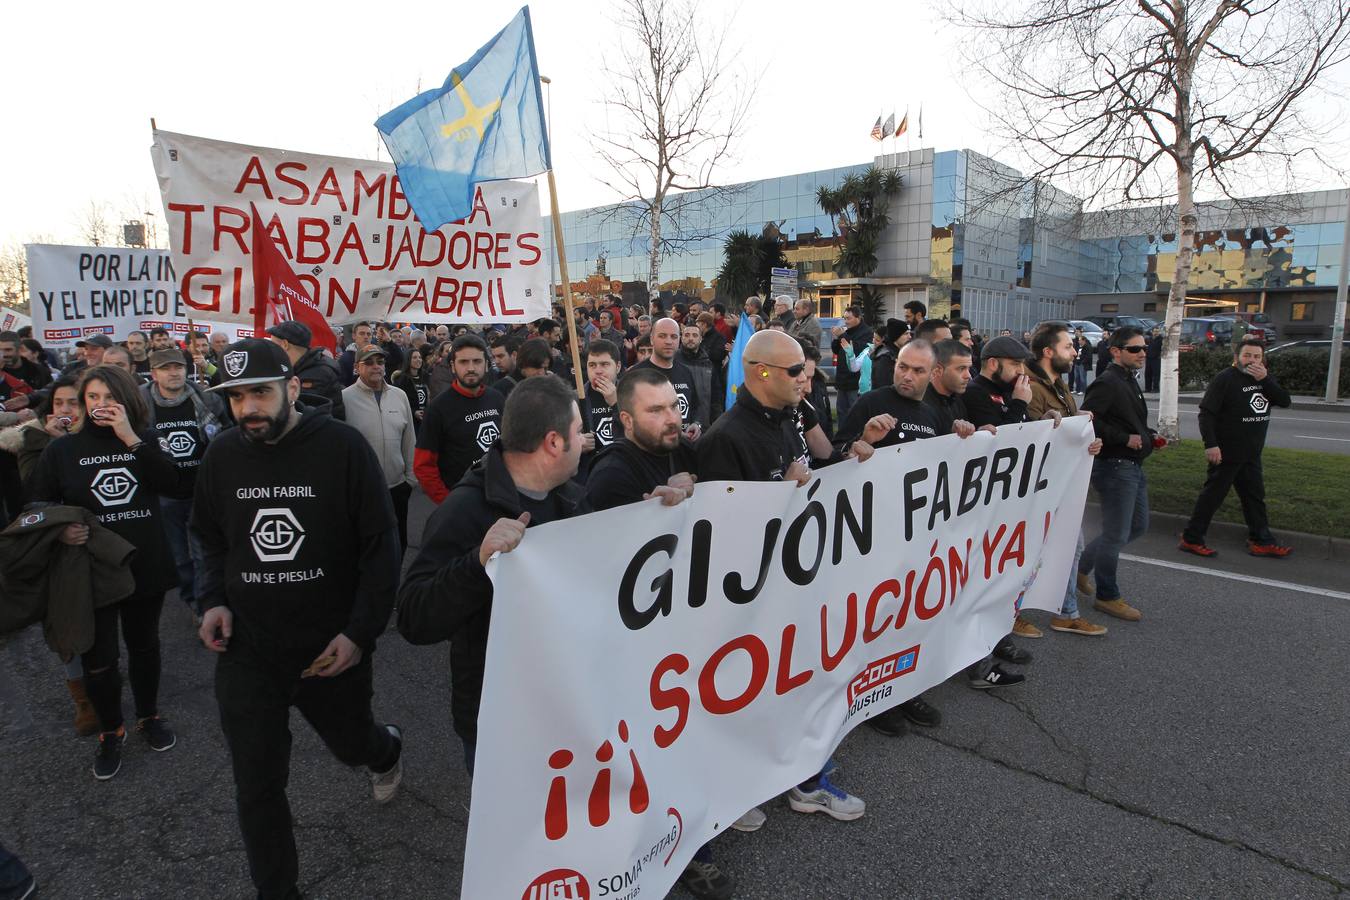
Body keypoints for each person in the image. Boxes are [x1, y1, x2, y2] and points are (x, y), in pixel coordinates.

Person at [192, 338, 403, 900]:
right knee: (256, 785)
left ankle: (386, 750)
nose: (247, 409)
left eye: (259, 392)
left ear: (292, 388)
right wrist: (211, 599)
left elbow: (381, 546)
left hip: (329, 647)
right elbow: (209, 540)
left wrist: (359, 633)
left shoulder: (342, 448)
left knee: (352, 745)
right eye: (235, 398)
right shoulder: (223, 456)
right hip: (249, 650)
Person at [698, 330, 867, 822]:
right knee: (746, 704)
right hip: (748, 605)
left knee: (799, 691)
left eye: (805, 370)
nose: (806, 378)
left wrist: (856, 455)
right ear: (761, 372)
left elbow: (818, 470)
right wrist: (783, 496)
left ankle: (806, 780)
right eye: (796, 371)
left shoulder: (791, 415)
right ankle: (735, 793)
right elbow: (716, 539)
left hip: (793, 586)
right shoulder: (724, 439)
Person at [581, 369, 734, 900]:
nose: (672, 418)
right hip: (639, 649)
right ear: (625, 419)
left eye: (673, 406)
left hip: (687, 633)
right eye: (656, 411)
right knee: (653, 753)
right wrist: (651, 512)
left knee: (692, 742)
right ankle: (681, 855)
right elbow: (599, 568)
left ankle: (696, 829)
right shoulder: (612, 474)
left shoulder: (682, 451)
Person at [399, 376, 590, 775]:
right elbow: (414, 618)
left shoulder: (570, 496)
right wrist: (476, 562)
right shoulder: (464, 510)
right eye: (578, 431)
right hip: (500, 721)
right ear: (554, 443)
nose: (585, 439)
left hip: (568, 704)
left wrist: (658, 510)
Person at [28, 365, 179, 779]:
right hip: (91, 569)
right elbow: (36, 504)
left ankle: (149, 716)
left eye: (107, 398)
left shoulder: (144, 440)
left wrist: (130, 440)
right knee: (100, 659)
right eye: (91, 398)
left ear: (126, 401)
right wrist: (60, 528)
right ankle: (110, 729)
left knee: (145, 645)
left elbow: (175, 484)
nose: (99, 405)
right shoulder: (62, 450)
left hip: (143, 561)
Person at [1024, 323, 1108, 637]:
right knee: (1032, 552)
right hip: (1040, 486)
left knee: (1070, 547)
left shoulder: (1058, 384)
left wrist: (1086, 442)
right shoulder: (1033, 386)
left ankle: (1066, 611)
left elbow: (1066, 430)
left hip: (1060, 481)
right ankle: (1016, 611)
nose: (1075, 352)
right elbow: (1029, 435)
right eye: (1068, 347)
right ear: (1048, 352)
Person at [962, 335, 1046, 642]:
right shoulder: (977, 393)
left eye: (1023, 364)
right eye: (1014, 364)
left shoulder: (1010, 392)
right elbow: (1004, 443)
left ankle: (1001, 631)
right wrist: (1021, 403)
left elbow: (1025, 427)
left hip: (1009, 497)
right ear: (993, 364)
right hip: (985, 501)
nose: (1021, 371)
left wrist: (1044, 420)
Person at [1179, 336, 1292, 558]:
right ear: (1237, 357)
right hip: (1226, 452)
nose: (1252, 360)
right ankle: (1191, 539)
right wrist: (1211, 445)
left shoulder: (1264, 379)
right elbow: (1206, 414)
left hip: (1251, 452)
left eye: (1257, 356)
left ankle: (1261, 540)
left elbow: (1284, 401)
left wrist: (1266, 380)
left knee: (1254, 497)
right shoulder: (1225, 379)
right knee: (1212, 496)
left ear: (1263, 359)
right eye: (1247, 355)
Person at [1079, 327, 1160, 622]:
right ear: (1116, 351)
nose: (1142, 353)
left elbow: (1127, 419)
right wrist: (1124, 439)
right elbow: (1087, 420)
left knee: (1137, 526)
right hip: (1115, 467)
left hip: (1132, 465)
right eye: (1135, 349)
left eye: (1144, 348)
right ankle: (1107, 596)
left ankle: (1080, 567)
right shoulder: (1108, 382)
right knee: (1117, 533)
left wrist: (1147, 436)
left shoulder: (1127, 379)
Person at [140, 347, 227, 619]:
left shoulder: (206, 399)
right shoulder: (141, 406)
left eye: (178, 367)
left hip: (202, 491)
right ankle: (192, 598)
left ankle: (208, 604)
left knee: (205, 553)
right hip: (165, 495)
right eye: (166, 368)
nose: (174, 372)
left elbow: (224, 435)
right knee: (179, 558)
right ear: (154, 374)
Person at [414, 334, 506, 504]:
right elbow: (423, 466)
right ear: (453, 366)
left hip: (501, 495)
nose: (471, 368)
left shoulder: (497, 398)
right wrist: (448, 503)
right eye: (463, 362)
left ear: (487, 365)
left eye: (477, 361)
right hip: (464, 502)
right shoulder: (438, 408)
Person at [343, 346, 416, 552]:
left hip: (397, 487)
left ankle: (396, 583)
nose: (376, 367)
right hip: (363, 491)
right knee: (367, 545)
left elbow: (409, 439)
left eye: (380, 362)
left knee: (399, 542)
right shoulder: (345, 398)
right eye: (369, 362)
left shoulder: (399, 396)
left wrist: (410, 479)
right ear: (357, 367)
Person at [632, 317, 703, 436]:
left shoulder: (685, 371)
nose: (669, 341)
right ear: (652, 339)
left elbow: (696, 406)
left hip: (685, 450)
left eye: (674, 337)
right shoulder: (635, 375)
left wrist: (696, 423)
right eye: (662, 336)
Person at [267, 321, 345, 420]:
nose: (272, 350)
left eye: (273, 345)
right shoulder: (306, 366)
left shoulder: (317, 374)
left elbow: (295, 412)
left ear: (285, 344)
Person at [830, 306, 872, 422]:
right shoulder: (847, 332)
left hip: (855, 381)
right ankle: (841, 438)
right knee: (841, 412)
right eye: (844, 318)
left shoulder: (867, 332)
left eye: (849, 318)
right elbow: (836, 350)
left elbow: (859, 351)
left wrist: (842, 336)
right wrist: (836, 338)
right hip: (842, 380)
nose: (846, 321)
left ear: (858, 318)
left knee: (855, 412)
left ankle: (854, 437)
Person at [678, 323, 715, 428]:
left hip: (704, 424)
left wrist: (716, 420)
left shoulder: (708, 364)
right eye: (687, 335)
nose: (690, 338)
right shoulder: (673, 361)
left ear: (701, 339)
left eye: (694, 335)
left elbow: (716, 396)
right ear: (681, 338)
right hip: (679, 425)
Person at [392, 346, 430, 428]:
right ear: (408, 360)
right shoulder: (401, 380)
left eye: (420, 357)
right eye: (414, 357)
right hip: (409, 421)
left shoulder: (425, 377)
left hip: (424, 420)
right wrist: (414, 412)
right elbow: (398, 402)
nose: (418, 360)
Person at [870, 319, 907, 391]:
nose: (910, 337)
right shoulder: (885, 357)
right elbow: (883, 388)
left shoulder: (899, 353)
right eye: (906, 334)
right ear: (897, 336)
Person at [487, 333, 521, 398]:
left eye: (500, 356)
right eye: (494, 357)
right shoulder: (493, 374)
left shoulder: (529, 376)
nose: (496, 361)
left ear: (514, 354)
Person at [1144, 327, 1163, 393]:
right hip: (1149, 359)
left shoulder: (1161, 339)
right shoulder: (1150, 339)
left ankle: (1156, 388)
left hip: (1156, 359)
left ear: (1159, 332)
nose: (1156, 333)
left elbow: (1163, 349)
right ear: (1152, 332)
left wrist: (1160, 356)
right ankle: (1147, 388)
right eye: (1155, 331)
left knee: (1156, 375)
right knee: (1147, 374)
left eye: (1157, 331)